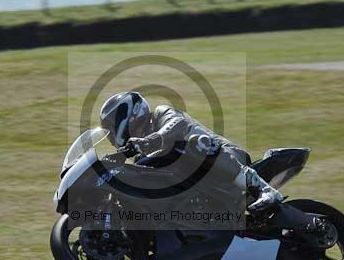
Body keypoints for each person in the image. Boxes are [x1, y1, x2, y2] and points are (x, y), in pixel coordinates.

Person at [99, 91, 284, 212]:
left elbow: (176, 126)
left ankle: (263, 189)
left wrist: (147, 142)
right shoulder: (140, 155)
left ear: (127, 116)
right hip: (202, 192)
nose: (112, 133)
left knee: (195, 144)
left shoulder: (161, 114)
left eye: (111, 126)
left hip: (227, 157)